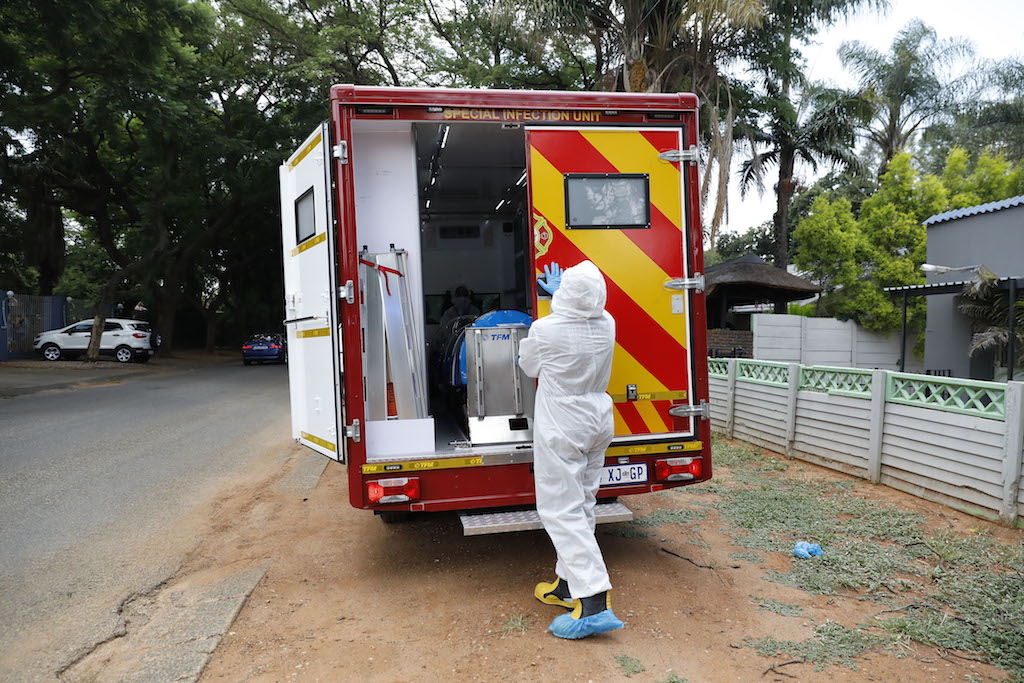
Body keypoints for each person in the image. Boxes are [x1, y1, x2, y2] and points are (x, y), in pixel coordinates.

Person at [517, 260, 623, 640]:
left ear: (563, 293)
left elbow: (529, 366)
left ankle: (593, 599)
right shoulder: (608, 322)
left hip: (563, 424)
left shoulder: (544, 329)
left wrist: (552, 303)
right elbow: (582, 318)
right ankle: (567, 585)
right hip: (597, 419)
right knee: (582, 503)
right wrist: (568, 300)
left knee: (560, 510)